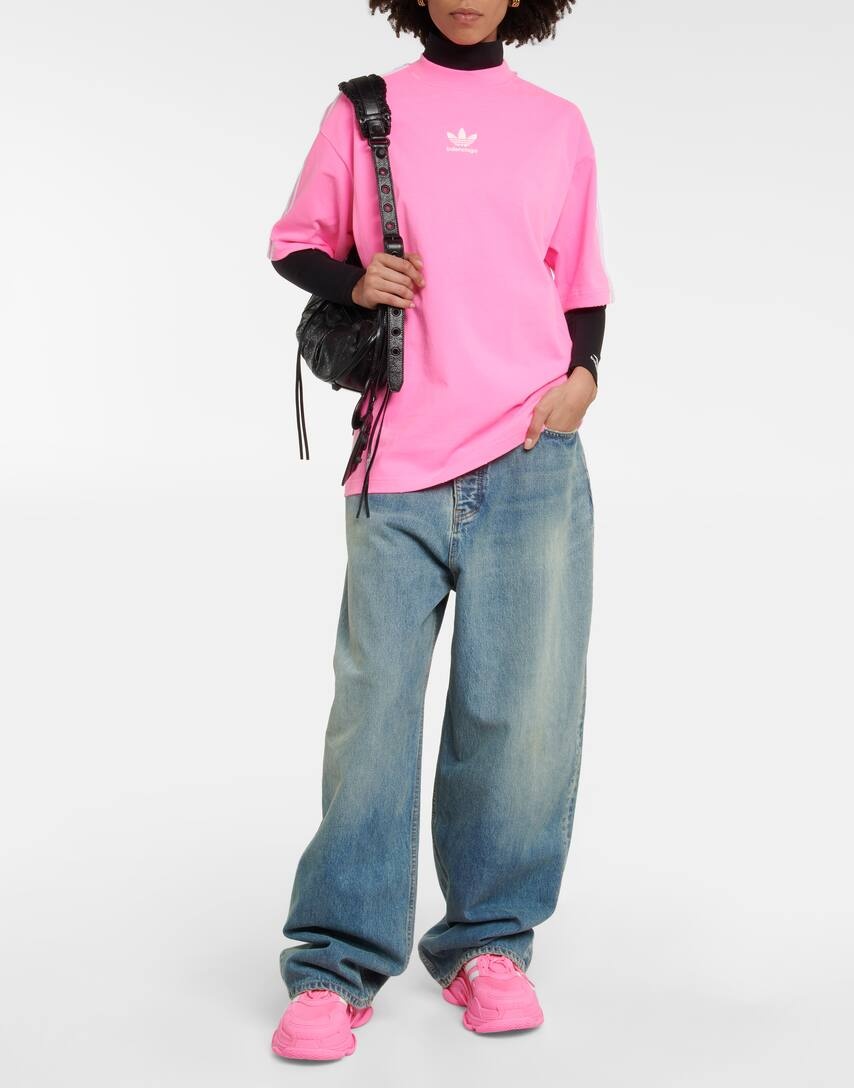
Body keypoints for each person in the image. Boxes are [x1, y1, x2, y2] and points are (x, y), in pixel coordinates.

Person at [267, 0, 612, 1061]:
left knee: (519, 714)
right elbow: (295, 243)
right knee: (371, 714)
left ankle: (488, 945)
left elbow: (580, 283)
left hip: (529, 457)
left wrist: (586, 379)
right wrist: (354, 276)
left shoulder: (555, 124)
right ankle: (334, 963)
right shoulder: (363, 112)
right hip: (400, 462)